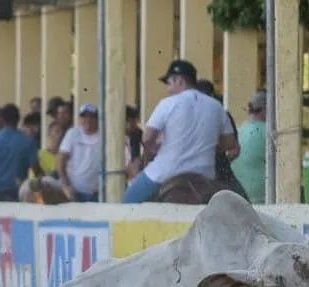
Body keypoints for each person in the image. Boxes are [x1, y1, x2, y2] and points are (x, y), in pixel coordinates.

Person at [123, 59, 238, 203]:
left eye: (169, 83)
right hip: (204, 172)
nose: (168, 89)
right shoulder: (216, 106)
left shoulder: (168, 103)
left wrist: (153, 149)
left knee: (128, 201)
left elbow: (147, 138)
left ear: (179, 80)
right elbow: (229, 142)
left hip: (166, 172)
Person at [0, 103, 40, 202]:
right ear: (18, 119)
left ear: (2, 119)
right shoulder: (28, 141)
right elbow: (35, 168)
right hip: (17, 191)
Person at [58, 103, 103, 202]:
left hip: (98, 193)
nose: (88, 120)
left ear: (97, 119)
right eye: (84, 116)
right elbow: (61, 161)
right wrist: (67, 186)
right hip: (75, 193)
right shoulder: (73, 133)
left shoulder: (104, 135)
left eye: (92, 116)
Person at [231, 91, 267, 204]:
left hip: (238, 194)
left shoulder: (238, 130)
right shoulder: (267, 131)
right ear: (267, 108)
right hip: (260, 197)